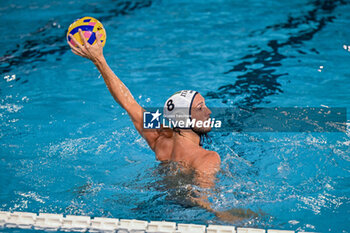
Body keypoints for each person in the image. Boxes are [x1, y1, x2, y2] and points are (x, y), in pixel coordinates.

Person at [68, 30, 255, 222]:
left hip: (154, 202)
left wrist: (99, 60)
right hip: (186, 213)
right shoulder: (207, 158)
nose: (209, 112)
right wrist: (224, 215)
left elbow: (128, 103)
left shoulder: (159, 140)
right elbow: (201, 197)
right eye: (200, 108)